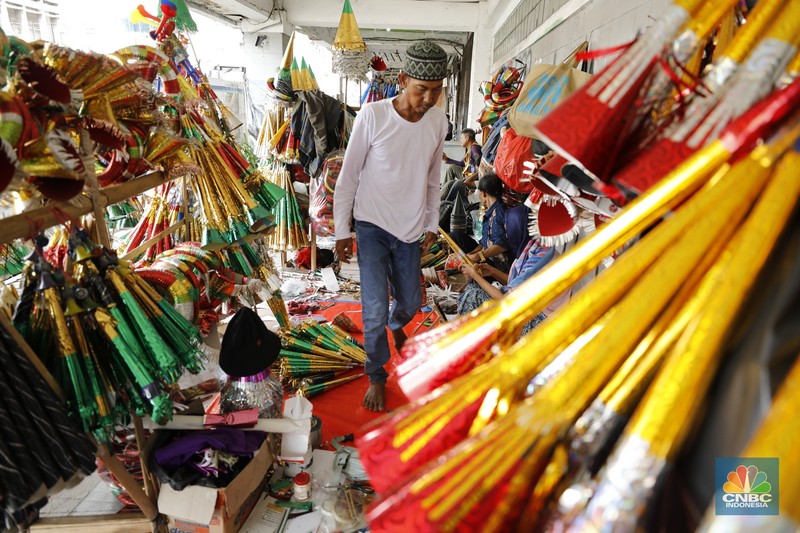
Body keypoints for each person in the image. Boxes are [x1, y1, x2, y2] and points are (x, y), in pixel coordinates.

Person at [333, 40, 449, 412]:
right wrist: (341, 231)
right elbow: (349, 177)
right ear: (402, 80)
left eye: (437, 90)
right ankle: (377, 375)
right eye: (422, 89)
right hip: (372, 226)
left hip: (410, 229)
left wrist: (431, 222)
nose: (429, 99)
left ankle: (398, 326)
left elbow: (433, 180)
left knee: (411, 302)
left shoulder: (438, 122)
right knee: (373, 307)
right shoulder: (373, 115)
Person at [458, 238, 555, 334]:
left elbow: (506, 301)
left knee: (474, 295)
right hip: (526, 309)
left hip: (538, 324)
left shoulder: (543, 254)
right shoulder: (534, 246)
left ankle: (462, 336)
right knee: (473, 289)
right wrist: (492, 271)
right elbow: (514, 285)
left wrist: (475, 275)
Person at [449, 173, 511, 274]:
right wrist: (473, 253)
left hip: (498, 264)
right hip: (487, 253)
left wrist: (479, 256)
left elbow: (502, 245)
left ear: (484, 193)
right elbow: (484, 242)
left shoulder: (499, 213)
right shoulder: (491, 210)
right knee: (456, 235)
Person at [441, 128, 482, 200]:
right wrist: (447, 159)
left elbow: (479, 167)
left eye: (461, 138)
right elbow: (462, 163)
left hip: (471, 177)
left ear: (467, 138)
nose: (460, 140)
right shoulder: (470, 148)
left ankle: (444, 195)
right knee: (452, 167)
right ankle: (444, 191)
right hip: (467, 173)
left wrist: (470, 179)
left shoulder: (475, 148)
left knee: (450, 183)